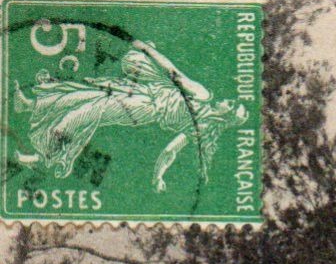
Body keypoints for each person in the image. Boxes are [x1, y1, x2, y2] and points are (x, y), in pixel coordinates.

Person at [13, 39, 247, 190]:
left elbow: (174, 73)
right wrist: (158, 178)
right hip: (147, 93)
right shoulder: (201, 126)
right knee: (89, 94)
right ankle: (31, 106)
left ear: (227, 116)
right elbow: (170, 151)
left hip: (145, 105)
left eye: (233, 105)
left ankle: (43, 155)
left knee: (91, 109)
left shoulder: (203, 96)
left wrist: (148, 50)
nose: (230, 101)